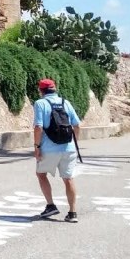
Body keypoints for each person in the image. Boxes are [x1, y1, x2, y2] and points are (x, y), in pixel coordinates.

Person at [33, 78, 82, 223]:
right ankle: (72, 213)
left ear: (41, 90)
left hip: (49, 148)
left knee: (41, 174)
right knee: (68, 179)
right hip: (69, 148)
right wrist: (74, 143)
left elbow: (38, 127)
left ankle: (51, 205)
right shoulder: (65, 102)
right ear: (54, 89)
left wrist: (37, 147)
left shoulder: (40, 103)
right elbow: (77, 125)